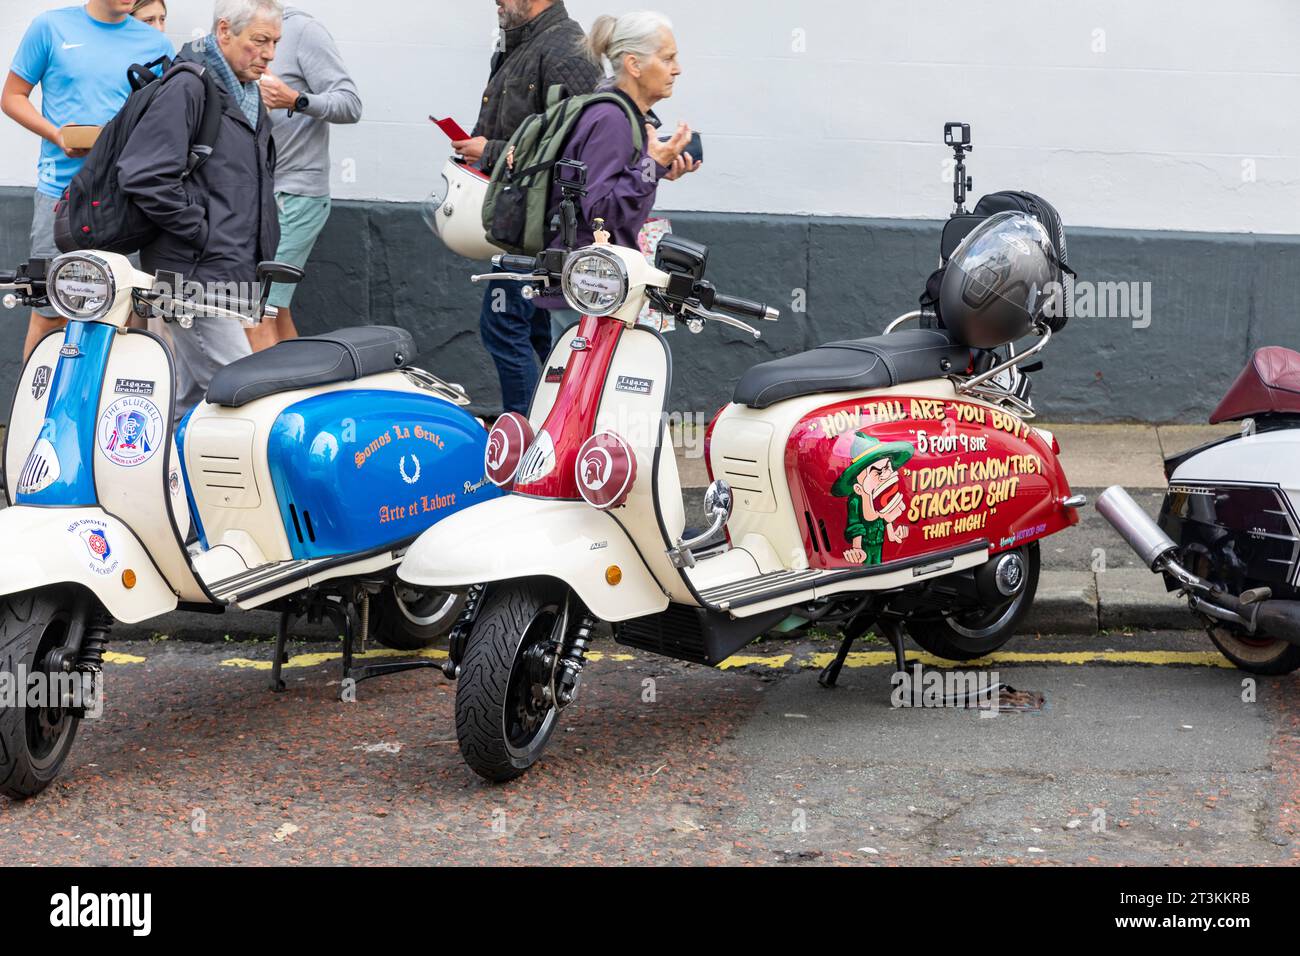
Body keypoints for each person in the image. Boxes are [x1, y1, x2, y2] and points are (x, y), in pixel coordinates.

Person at [116, 0, 282, 421]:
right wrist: (201, 231)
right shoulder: (189, 86)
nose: (269, 54)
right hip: (194, 272)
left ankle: (152, 476)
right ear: (224, 31)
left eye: (275, 42)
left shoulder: (244, 93)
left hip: (225, 267)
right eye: (260, 41)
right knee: (240, 390)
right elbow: (144, 176)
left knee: (189, 400)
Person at [1, 0, 173, 361]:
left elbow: (165, 119)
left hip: (125, 201)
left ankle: (106, 415)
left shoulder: (156, 44)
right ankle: (34, 414)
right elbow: (12, 96)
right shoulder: (49, 27)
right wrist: (56, 134)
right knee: (50, 313)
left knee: (122, 318)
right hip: (59, 196)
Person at [458, 0, 602, 417]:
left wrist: (491, 152)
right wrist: (479, 148)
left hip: (542, 227)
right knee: (540, 335)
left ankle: (523, 439)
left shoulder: (567, 48)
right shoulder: (521, 44)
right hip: (524, 223)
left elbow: (577, 144)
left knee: (503, 328)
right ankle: (552, 433)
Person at [532, 12, 700, 327]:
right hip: (593, 290)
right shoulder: (612, 120)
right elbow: (601, 215)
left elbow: (610, 187)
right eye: (667, 59)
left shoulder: (619, 113)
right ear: (634, 65)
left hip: (596, 284)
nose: (677, 69)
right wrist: (654, 164)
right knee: (580, 376)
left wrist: (659, 168)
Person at [247, 5, 362, 352]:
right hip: (255, 196)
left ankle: (262, 399)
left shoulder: (303, 31)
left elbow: (351, 104)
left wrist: (294, 99)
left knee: (257, 309)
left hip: (297, 195)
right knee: (274, 308)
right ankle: (297, 394)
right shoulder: (234, 28)